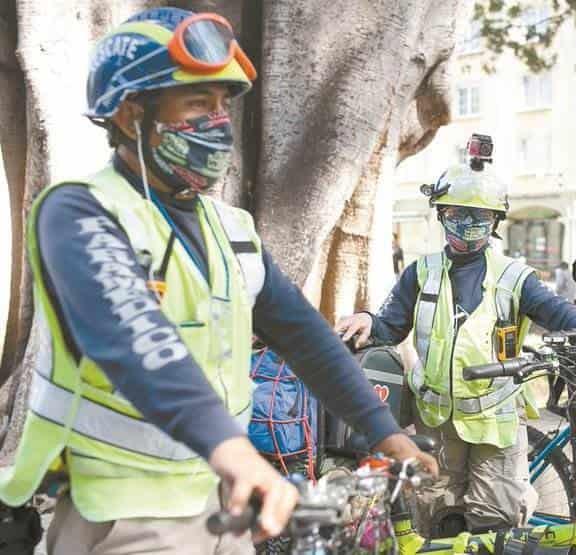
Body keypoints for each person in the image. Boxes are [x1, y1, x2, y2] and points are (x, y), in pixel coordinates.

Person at [0, 8, 435, 554]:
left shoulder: (233, 230)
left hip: (218, 498)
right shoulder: (80, 213)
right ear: (133, 114)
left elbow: (304, 335)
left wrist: (385, 433)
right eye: (197, 103)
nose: (219, 122)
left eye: (223, 105)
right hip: (126, 513)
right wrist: (238, 455)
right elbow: (136, 342)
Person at [336, 143, 576, 535]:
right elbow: (389, 325)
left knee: (495, 524)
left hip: (495, 426)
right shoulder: (421, 272)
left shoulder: (515, 277)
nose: (467, 224)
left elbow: (559, 313)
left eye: (479, 216)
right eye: (457, 214)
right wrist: (366, 319)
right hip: (437, 424)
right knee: (436, 523)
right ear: (442, 216)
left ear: (495, 220)